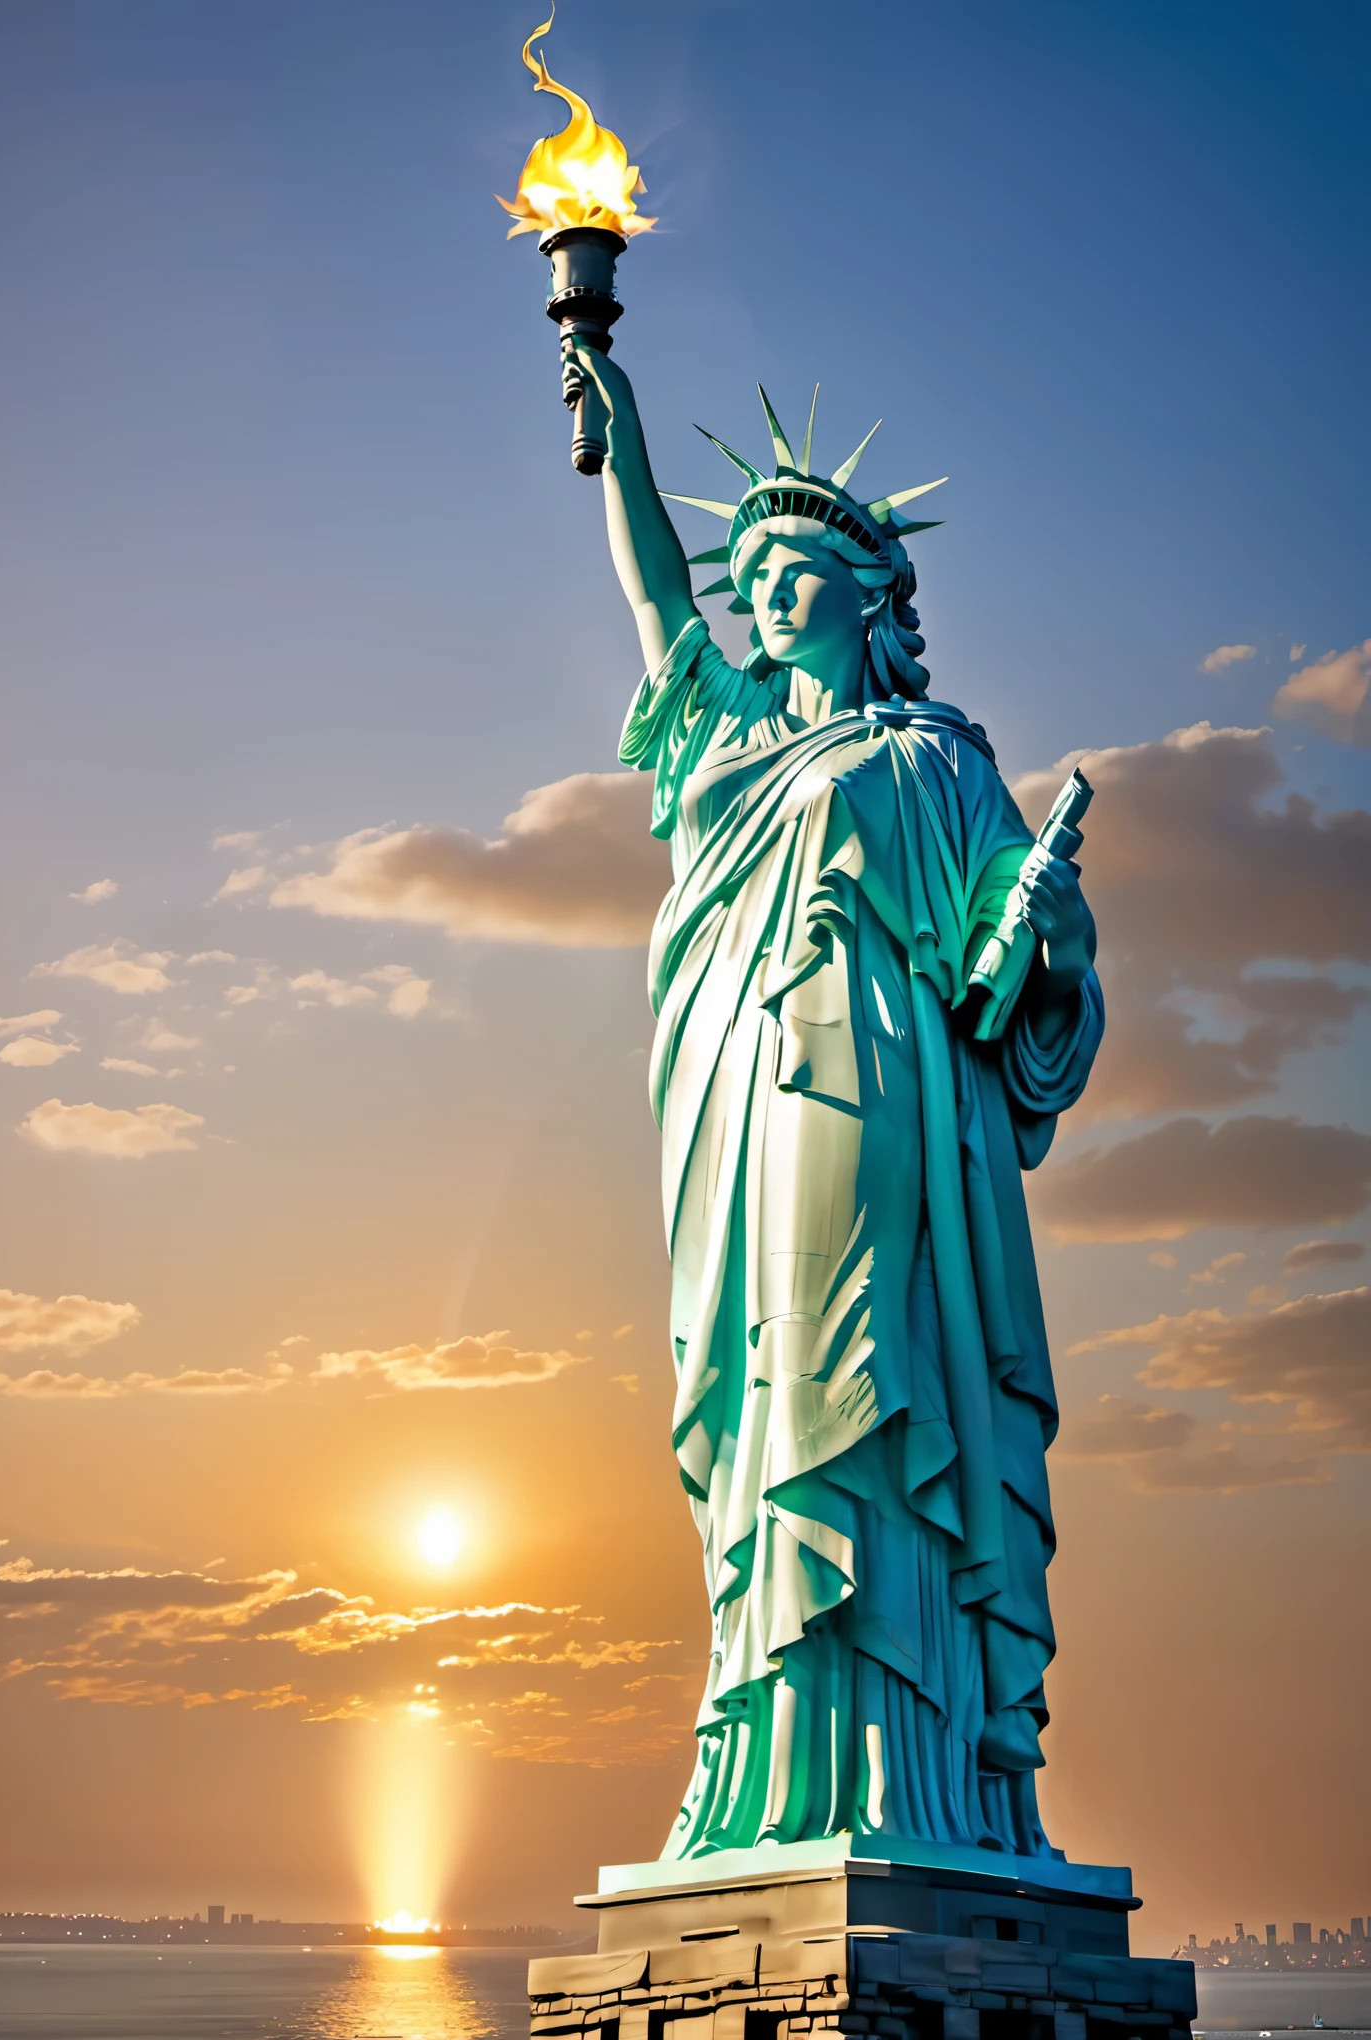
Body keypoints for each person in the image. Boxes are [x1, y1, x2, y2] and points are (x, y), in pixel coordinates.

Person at [563, 341, 1103, 1862]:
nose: (768, 593)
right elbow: (663, 609)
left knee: (861, 1366)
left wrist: (1053, 941)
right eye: (758, 573)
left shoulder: (935, 759)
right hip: (737, 1093)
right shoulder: (732, 736)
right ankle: (766, 1755)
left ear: (876, 593)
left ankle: (912, 1777)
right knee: (757, 1381)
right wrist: (616, 431)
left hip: (872, 1093)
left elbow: (1036, 974)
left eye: (796, 568)